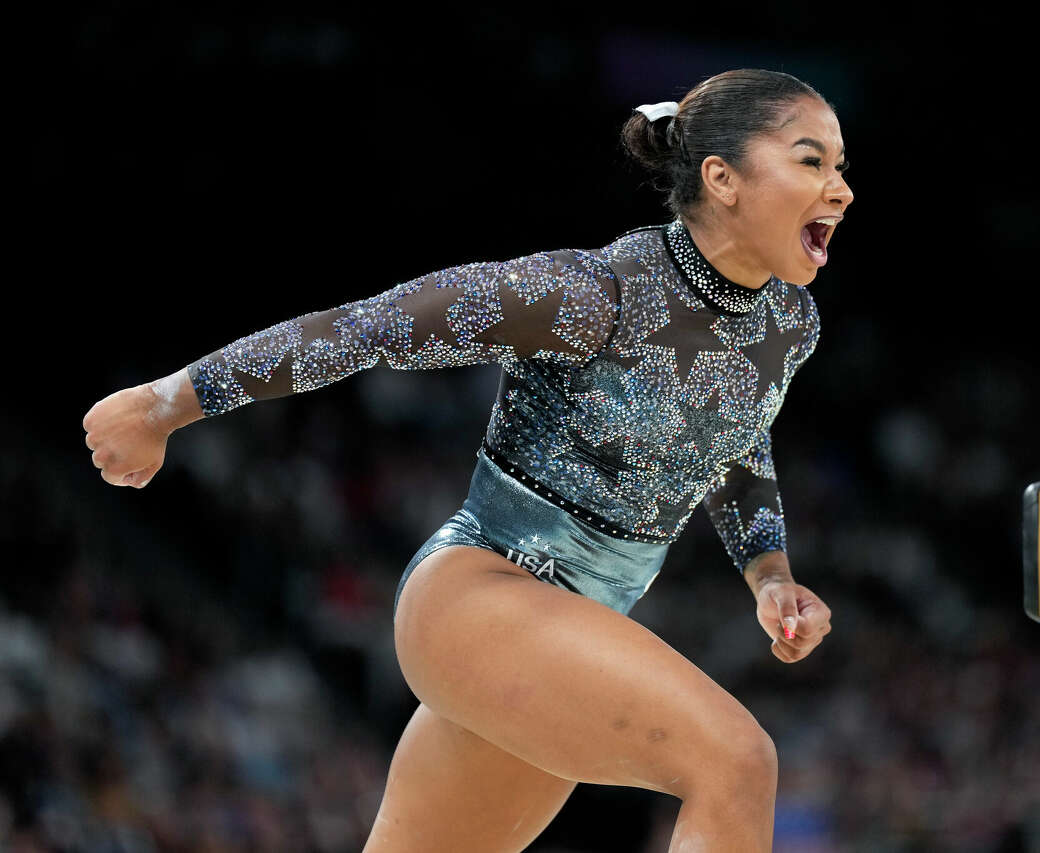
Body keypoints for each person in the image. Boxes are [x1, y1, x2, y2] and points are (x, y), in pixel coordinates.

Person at [82, 68, 849, 852]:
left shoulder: (789, 323)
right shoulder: (592, 294)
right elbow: (369, 328)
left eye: (842, 165)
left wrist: (771, 576)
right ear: (722, 178)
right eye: (812, 161)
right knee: (737, 759)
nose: (842, 189)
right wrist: (168, 402)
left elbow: (735, 436)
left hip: (572, 628)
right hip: (480, 596)